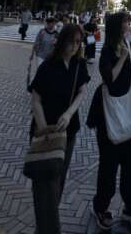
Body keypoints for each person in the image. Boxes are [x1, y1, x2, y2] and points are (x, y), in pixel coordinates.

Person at [87, 13, 131, 231]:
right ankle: (101, 207)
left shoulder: (128, 45)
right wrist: (123, 58)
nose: (129, 24)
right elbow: (109, 80)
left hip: (128, 110)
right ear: (117, 26)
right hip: (108, 114)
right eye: (125, 22)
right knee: (109, 165)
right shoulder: (107, 50)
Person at [30, 24, 90, 234]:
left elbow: (82, 91)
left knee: (58, 177)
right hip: (44, 130)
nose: (74, 46)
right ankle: (47, 227)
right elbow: (35, 99)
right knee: (43, 180)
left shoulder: (79, 64)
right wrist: (44, 127)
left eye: (78, 42)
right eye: (71, 41)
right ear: (62, 40)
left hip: (67, 131)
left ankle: (46, 224)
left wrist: (69, 113)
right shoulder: (48, 65)